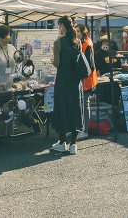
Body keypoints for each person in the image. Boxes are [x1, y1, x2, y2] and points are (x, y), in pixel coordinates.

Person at [50, 16, 84, 154]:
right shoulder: (78, 41)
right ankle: (74, 145)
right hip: (75, 81)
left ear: (62, 25)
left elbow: (57, 63)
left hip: (63, 81)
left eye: (59, 25)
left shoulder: (59, 42)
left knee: (62, 109)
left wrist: (53, 59)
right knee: (75, 109)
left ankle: (62, 143)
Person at [74, 23, 97, 139]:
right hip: (84, 78)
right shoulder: (84, 42)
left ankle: (85, 130)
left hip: (86, 79)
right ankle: (80, 129)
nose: (77, 33)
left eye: (78, 31)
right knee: (82, 104)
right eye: (76, 31)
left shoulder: (87, 44)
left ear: (83, 32)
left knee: (85, 104)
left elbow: (90, 65)